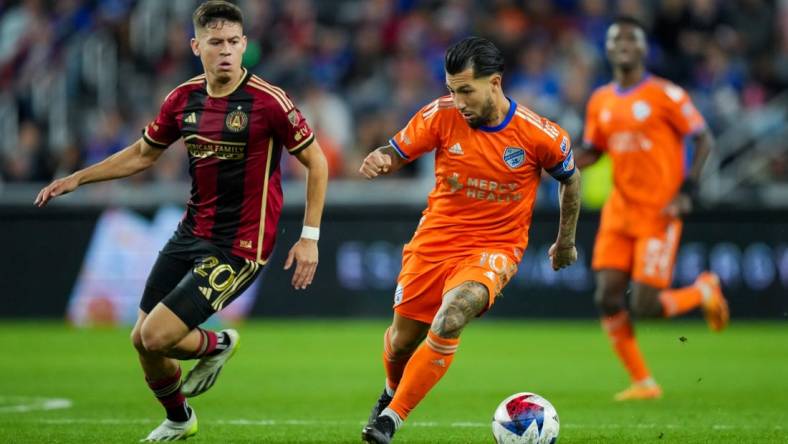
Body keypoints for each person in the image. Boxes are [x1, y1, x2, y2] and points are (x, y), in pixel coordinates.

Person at [34, 1, 328, 441]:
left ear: (244, 44)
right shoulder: (183, 98)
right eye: (215, 43)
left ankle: (219, 344)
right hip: (191, 232)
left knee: (156, 335)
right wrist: (79, 177)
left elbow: (317, 162)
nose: (226, 51)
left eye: (233, 42)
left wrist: (309, 238)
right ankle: (179, 418)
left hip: (241, 245)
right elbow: (142, 154)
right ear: (197, 46)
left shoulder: (269, 102)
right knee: (142, 342)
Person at [358, 36, 581, 443]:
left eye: (466, 91)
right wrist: (381, 158)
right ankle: (391, 391)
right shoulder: (442, 115)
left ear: (495, 83)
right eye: (451, 90)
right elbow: (397, 149)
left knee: (451, 315)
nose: (458, 101)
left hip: (495, 248)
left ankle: (391, 419)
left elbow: (571, 179)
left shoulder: (537, 134)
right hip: (435, 241)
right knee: (400, 343)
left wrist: (565, 241)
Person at [576, 16, 728, 401]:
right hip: (619, 209)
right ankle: (644, 382)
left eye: (632, 38)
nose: (624, 43)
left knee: (644, 305)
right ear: (607, 49)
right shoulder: (600, 100)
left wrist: (687, 190)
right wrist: (557, 161)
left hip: (658, 212)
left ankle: (703, 290)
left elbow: (704, 138)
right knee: (606, 297)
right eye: (616, 38)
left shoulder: (665, 94)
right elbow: (594, 151)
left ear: (644, 48)